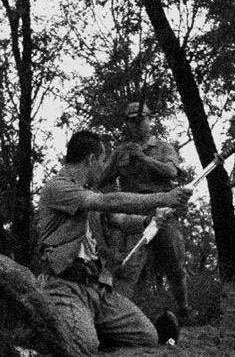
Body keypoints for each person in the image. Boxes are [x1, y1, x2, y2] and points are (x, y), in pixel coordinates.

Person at [36, 130, 193, 354]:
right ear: (91, 159)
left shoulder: (85, 193)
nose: (103, 168)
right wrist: (164, 197)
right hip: (64, 287)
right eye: (102, 161)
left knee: (147, 336)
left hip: (98, 289)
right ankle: (71, 329)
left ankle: (87, 326)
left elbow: (118, 218)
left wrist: (150, 219)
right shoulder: (59, 188)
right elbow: (109, 201)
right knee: (84, 345)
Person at [98, 101, 193, 322]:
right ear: (127, 124)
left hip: (161, 213)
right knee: (129, 266)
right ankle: (123, 317)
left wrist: (143, 158)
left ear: (150, 120)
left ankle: (184, 309)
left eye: (141, 119)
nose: (137, 125)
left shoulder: (163, 147)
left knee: (175, 265)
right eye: (132, 121)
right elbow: (102, 179)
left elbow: (172, 172)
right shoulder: (121, 152)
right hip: (132, 215)